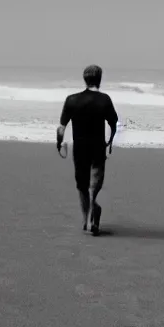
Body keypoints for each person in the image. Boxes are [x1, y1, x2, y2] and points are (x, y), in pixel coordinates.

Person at [56, 64, 118, 236]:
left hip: (80, 148)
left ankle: (86, 219)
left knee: (81, 185)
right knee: (94, 182)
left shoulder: (72, 99)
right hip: (97, 146)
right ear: (99, 79)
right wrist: (110, 142)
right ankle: (92, 210)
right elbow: (113, 124)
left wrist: (59, 143)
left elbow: (61, 128)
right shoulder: (104, 99)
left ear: (85, 79)